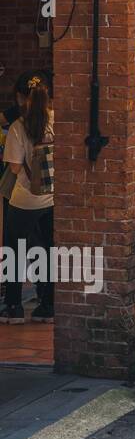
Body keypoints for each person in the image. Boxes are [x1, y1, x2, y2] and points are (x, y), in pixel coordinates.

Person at [2, 73, 54, 324]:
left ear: (21, 98)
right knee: (47, 249)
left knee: (14, 250)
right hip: (53, 198)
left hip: (25, 199)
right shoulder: (57, 120)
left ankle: (13, 308)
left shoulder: (18, 127)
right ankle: (48, 305)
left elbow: (13, 168)